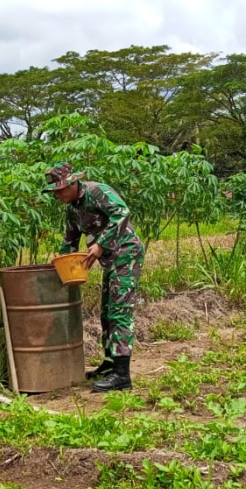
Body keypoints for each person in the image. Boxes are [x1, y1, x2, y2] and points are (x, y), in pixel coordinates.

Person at [43, 163, 145, 392]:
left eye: (60, 190)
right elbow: (70, 241)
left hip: (126, 254)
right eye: (54, 192)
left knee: (119, 312)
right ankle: (110, 364)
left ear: (73, 183)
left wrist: (100, 244)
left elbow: (122, 213)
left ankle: (122, 376)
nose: (57, 195)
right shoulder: (72, 209)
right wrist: (59, 264)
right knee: (106, 313)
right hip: (111, 262)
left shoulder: (97, 191)